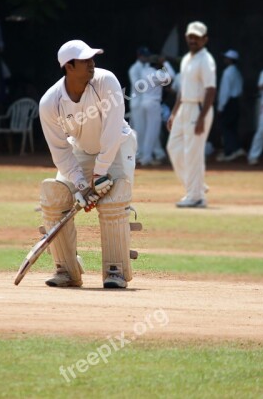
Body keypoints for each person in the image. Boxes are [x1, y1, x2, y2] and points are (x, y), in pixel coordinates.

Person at [37, 39, 137, 289]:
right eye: (84, 60)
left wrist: (100, 175)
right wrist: (81, 184)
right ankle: (67, 268)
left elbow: (112, 132)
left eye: (92, 58)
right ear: (68, 66)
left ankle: (116, 269)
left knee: (113, 198)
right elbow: (60, 150)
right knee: (54, 197)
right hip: (80, 148)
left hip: (117, 146)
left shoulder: (106, 82)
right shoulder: (50, 103)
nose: (92, 63)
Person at [167, 21, 216, 208]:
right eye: (191, 36)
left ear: (205, 39)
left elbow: (211, 89)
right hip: (184, 107)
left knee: (193, 153)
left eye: (197, 37)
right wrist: (173, 113)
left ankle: (196, 197)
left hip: (199, 107)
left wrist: (202, 117)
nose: (193, 40)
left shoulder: (206, 60)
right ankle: (196, 186)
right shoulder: (187, 58)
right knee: (174, 147)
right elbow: (182, 90)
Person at [137, 55, 171, 166]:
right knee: (152, 132)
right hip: (153, 104)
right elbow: (171, 76)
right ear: (157, 64)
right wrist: (165, 63)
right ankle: (146, 158)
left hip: (144, 102)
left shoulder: (144, 71)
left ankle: (144, 155)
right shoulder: (158, 74)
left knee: (147, 131)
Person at [216, 49, 245, 162]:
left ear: (230, 60)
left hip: (229, 103)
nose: (225, 59)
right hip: (236, 102)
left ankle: (230, 151)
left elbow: (225, 91)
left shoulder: (228, 72)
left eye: (226, 58)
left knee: (226, 127)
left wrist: (220, 107)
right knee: (232, 127)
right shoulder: (237, 72)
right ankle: (236, 148)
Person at [128, 47, 150, 160]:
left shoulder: (146, 67)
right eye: (143, 56)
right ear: (139, 56)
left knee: (146, 129)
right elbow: (137, 86)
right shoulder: (134, 69)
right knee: (139, 129)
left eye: (146, 56)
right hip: (137, 102)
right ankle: (137, 153)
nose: (145, 58)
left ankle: (143, 152)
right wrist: (150, 83)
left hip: (145, 102)